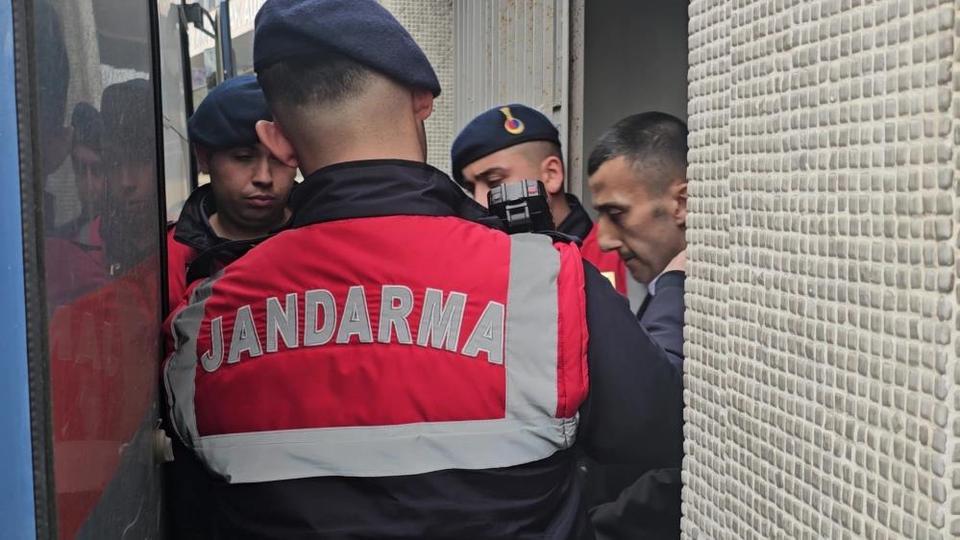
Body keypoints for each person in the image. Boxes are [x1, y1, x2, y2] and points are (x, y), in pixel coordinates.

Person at [163, 1, 683, 538]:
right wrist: (676, 283)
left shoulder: (203, 320)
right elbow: (666, 427)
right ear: (422, 99)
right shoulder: (545, 283)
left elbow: (190, 507)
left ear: (278, 140)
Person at [583, 111, 688, 539]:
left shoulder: (688, 297)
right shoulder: (661, 289)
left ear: (681, 203)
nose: (604, 238)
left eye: (617, 213)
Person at [452, 104, 629, 294]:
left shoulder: (621, 256)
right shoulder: (481, 270)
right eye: (471, 189)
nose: (480, 201)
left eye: (494, 181)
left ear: (551, 174)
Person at [166, 74, 296, 309]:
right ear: (204, 158)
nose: (264, 177)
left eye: (279, 159)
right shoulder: (171, 258)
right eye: (243, 157)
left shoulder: (325, 237)